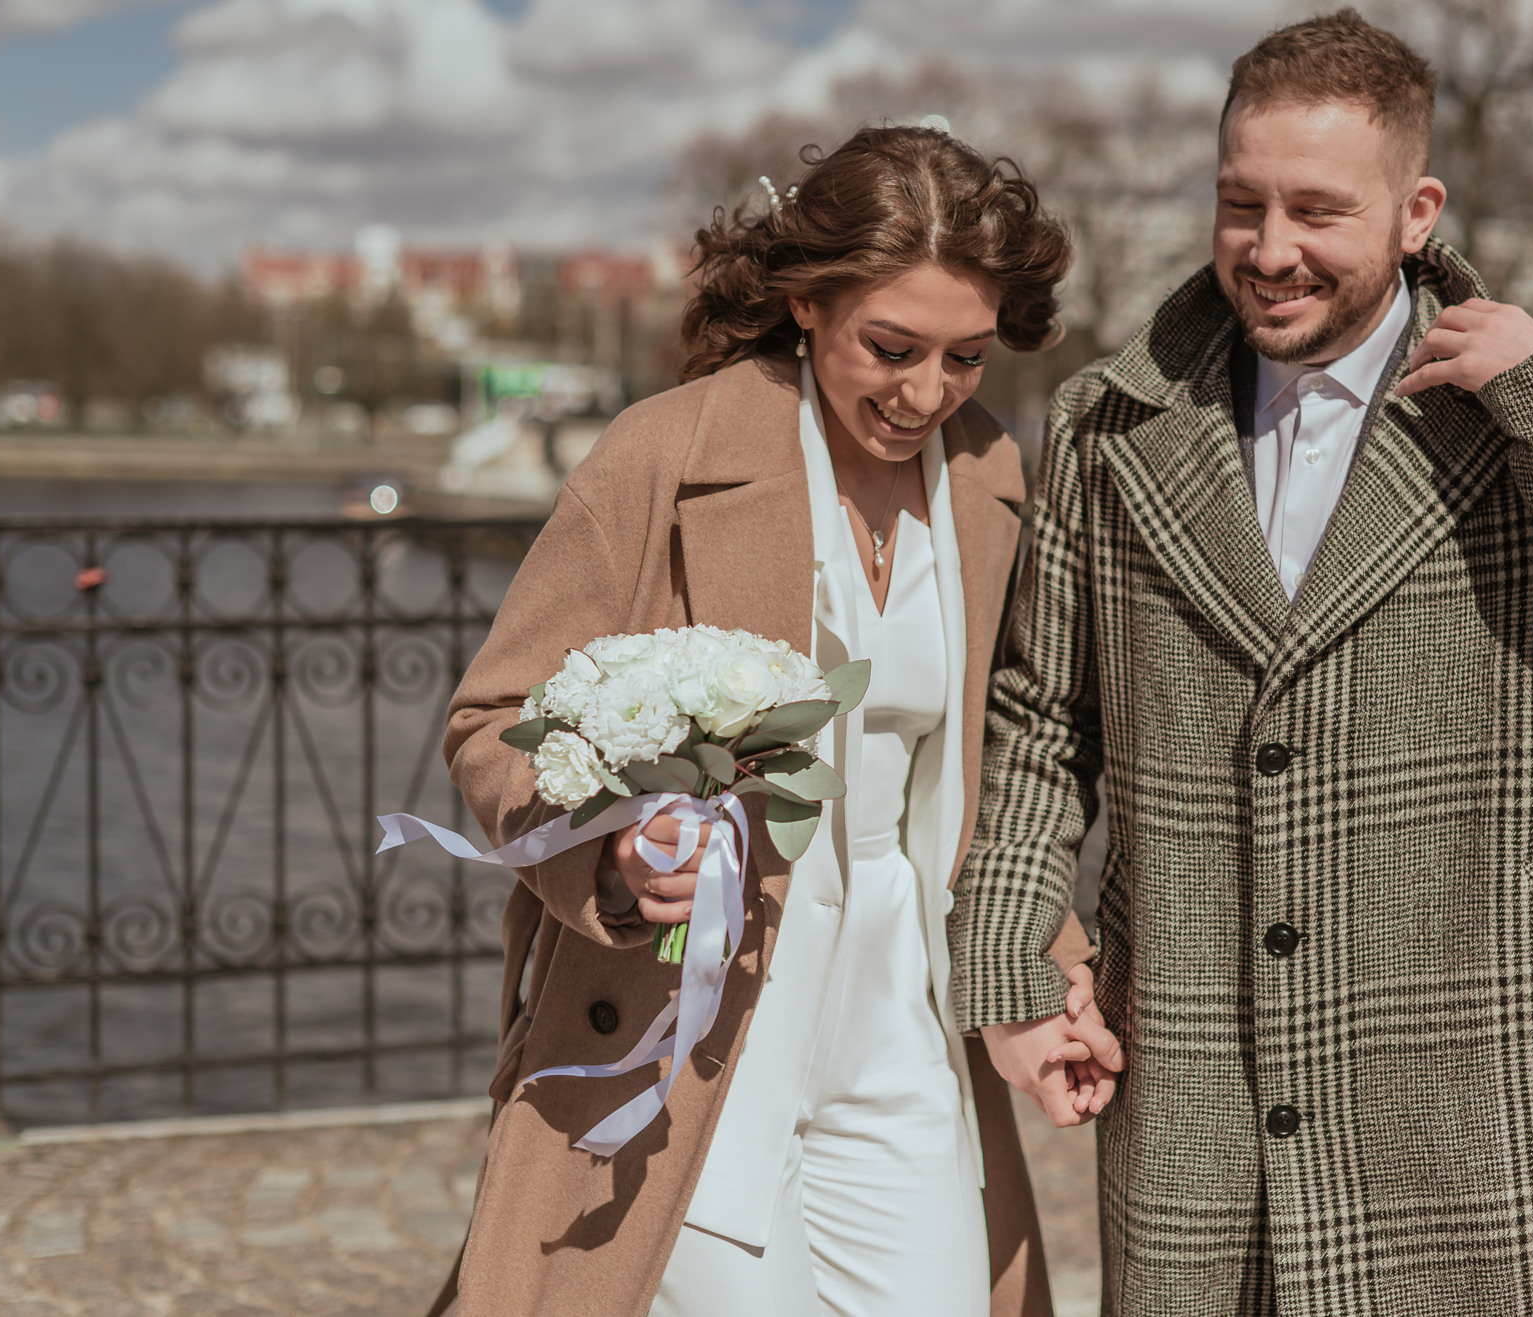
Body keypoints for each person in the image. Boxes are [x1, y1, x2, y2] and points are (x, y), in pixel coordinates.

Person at [949, 10, 1533, 1315]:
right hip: (1207, 1079)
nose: (1270, 252)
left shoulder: (1528, 412)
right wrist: (1012, 974)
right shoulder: (1116, 424)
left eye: (1317, 210)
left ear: (1415, 209)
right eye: (1240, 205)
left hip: (1484, 1071)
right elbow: (1041, 732)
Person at [436, 125, 1124, 1317]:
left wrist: (1045, 960)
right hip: (695, 1016)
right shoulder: (663, 453)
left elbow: (1005, 757)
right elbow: (495, 717)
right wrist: (605, 849)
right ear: (808, 305)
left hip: (904, 1013)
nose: (926, 394)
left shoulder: (993, 477)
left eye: (965, 358)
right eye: (892, 348)